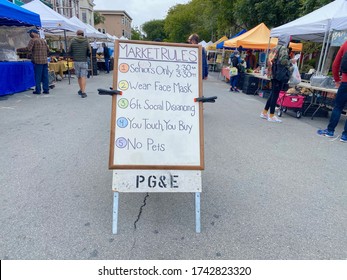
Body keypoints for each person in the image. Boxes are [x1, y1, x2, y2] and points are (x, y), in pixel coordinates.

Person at [317, 40, 347, 142]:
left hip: (345, 82)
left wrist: (337, 79)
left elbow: (335, 64)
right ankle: (345, 136)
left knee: (338, 107)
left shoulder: (345, 44)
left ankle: (330, 131)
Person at [260, 34, 293, 123]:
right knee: (275, 94)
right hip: (279, 74)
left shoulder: (274, 48)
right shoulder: (283, 49)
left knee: (273, 93)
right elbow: (283, 61)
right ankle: (271, 115)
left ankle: (264, 112)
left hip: (272, 73)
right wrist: (291, 62)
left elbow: (269, 60)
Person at [17, 29, 50, 94]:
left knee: (38, 76)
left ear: (34, 33)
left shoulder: (33, 40)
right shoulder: (43, 40)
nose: (30, 34)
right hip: (45, 61)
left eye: (30, 33)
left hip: (37, 61)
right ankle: (46, 89)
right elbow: (48, 50)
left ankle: (38, 90)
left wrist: (18, 49)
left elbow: (28, 49)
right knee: (45, 76)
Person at [68, 30, 91, 98]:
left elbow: (69, 50)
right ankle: (83, 92)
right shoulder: (86, 41)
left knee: (79, 76)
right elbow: (89, 51)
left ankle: (81, 89)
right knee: (83, 76)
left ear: (76, 34)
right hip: (84, 60)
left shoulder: (72, 40)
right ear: (83, 34)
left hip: (76, 61)